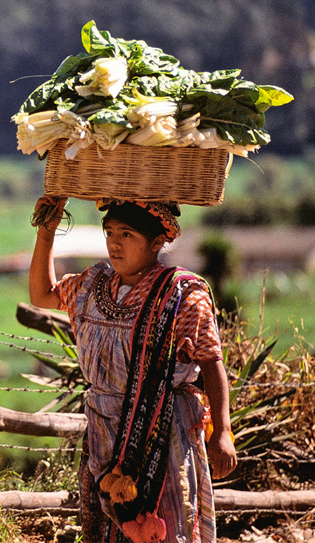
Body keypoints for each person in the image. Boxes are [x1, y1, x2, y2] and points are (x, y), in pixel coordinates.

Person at [28, 195, 237, 543]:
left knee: (164, 525)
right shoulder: (92, 285)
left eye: (127, 234)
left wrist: (223, 432)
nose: (114, 243)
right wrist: (46, 232)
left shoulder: (183, 295)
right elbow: (42, 295)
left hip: (164, 431)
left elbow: (212, 363)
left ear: (157, 242)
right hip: (104, 430)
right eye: (110, 232)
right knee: (107, 527)